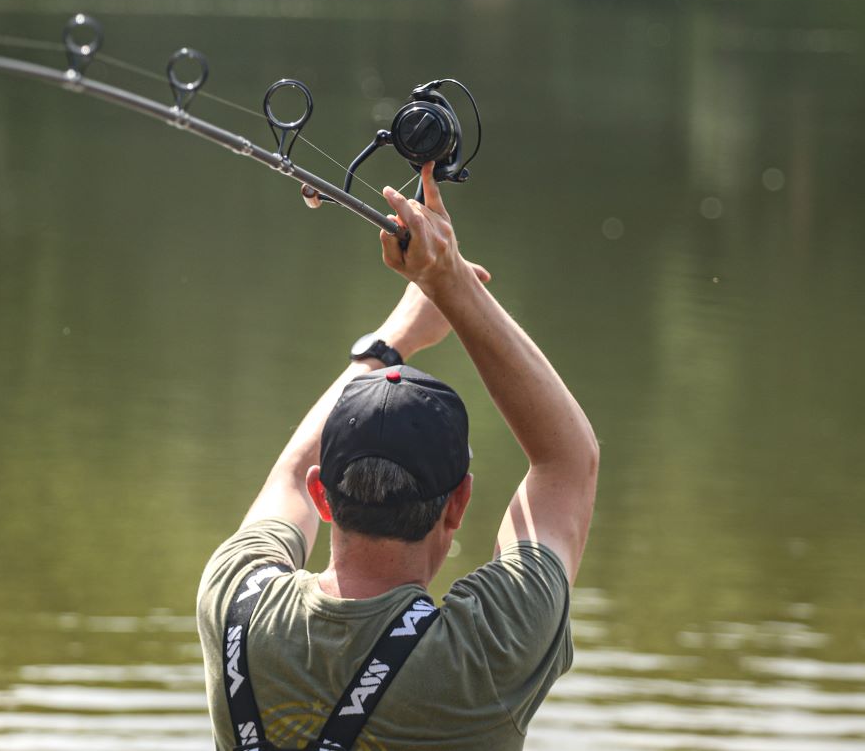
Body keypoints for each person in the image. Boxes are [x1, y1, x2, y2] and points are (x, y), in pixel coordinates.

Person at [196, 167, 600, 750]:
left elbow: (288, 475)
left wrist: (393, 338)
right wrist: (449, 282)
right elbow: (567, 460)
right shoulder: (484, 658)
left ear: (323, 495)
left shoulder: (236, 601)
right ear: (458, 504)